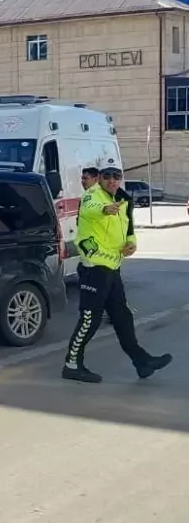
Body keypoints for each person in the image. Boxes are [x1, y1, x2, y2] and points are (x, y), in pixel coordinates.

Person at [63, 158, 172, 383]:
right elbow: (91, 209)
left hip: (112, 266)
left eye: (116, 176)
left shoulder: (123, 199)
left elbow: (128, 227)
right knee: (89, 318)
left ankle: (141, 361)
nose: (112, 181)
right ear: (100, 178)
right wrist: (104, 208)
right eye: (107, 176)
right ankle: (72, 364)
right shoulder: (93, 195)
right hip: (94, 267)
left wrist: (131, 244)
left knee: (122, 317)